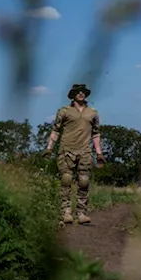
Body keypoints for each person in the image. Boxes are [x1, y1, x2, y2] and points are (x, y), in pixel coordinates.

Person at [46, 82, 103, 224]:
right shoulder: (64, 111)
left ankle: (81, 213)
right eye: (78, 91)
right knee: (66, 179)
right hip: (67, 150)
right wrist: (49, 148)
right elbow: (55, 130)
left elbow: (96, 133)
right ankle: (66, 212)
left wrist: (99, 153)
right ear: (73, 94)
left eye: (83, 91)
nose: (81, 93)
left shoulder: (93, 113)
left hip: (85, 151)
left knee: (84, 181)